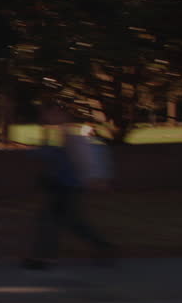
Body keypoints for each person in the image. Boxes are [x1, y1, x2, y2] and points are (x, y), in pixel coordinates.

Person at [23, 105, 116, 270]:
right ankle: (103, 248)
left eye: (52, 113)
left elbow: (55, 155)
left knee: (54, 222)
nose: (48, 117)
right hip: (61, 186)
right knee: (66, 223)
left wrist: (93, 178)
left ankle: (43, 258)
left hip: (66, 186)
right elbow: (47, 154)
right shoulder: (60, 133)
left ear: (62, 115)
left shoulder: (67, 134)